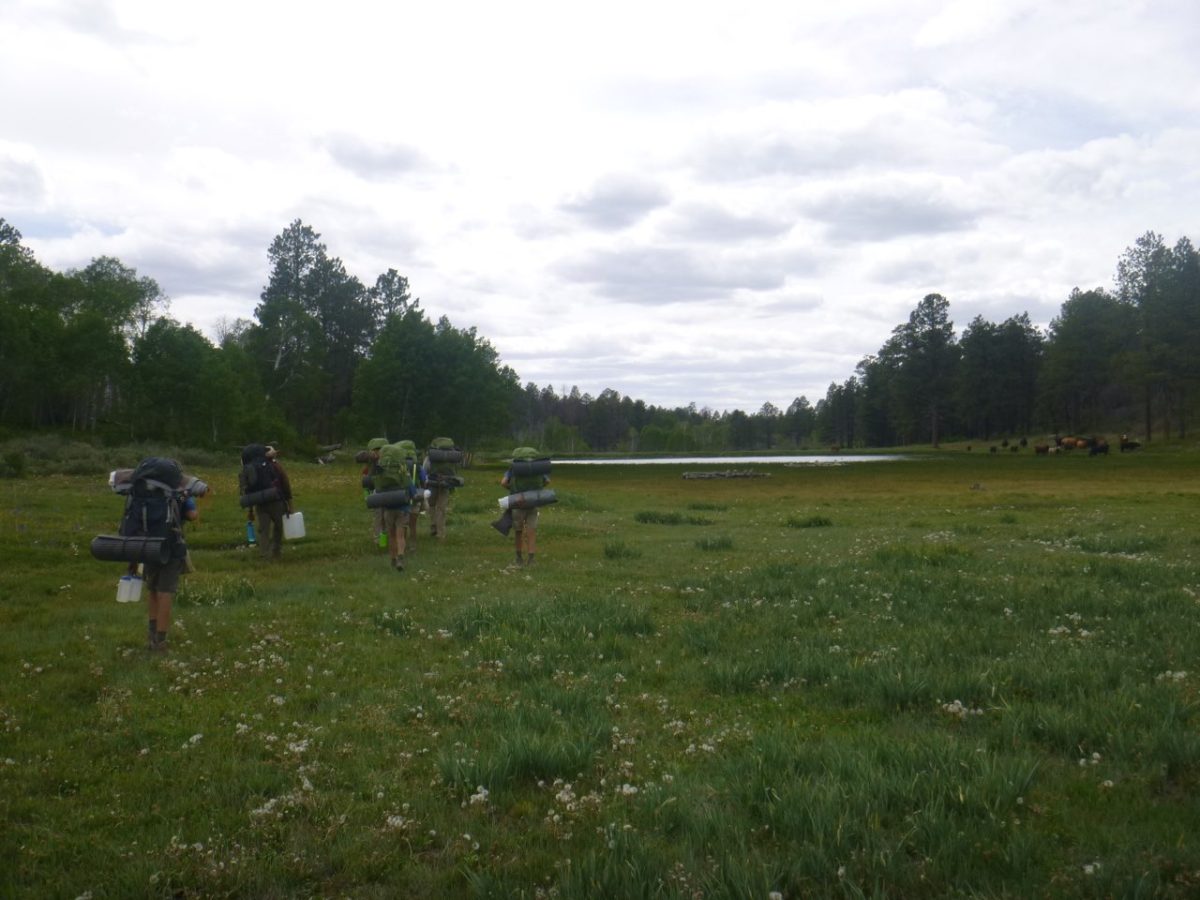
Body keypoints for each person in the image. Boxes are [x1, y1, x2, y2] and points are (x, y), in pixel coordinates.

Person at [240, 444, 294, 561]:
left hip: (260, 503)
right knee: (278, 527)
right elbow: (286, 485)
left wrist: (250, 510)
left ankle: (264, 554)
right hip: (276, 501)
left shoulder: (253, 468)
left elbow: (250, 489)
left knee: (263, 529)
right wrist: (290, 505)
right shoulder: (276, 466)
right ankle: (276, 551)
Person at [500, 447, 550, 567]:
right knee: (531, 531)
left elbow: (503, 482)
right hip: (533, 503)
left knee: (518, 531)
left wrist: (512, 489)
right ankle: (531, 559)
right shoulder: (537, 469)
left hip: (518, 503)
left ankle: (519, 559)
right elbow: (547, 481)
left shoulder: (513, 469)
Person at [423, 437, 462, 540]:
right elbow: (455, 470)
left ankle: (433, 526)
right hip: (445, 483)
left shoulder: (431, 456)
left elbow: (425, 468)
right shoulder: (451, 457)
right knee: (442, 508)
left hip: (432, 483)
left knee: (431, 505)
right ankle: (441, 533)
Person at [361, 437, 388, 548]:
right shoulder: (372, 465)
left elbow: (365, 480)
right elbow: (366, 480)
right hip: (382, 492)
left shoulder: (371, 466)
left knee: (381, 517)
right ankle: (381, 540)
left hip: (381, 492)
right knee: (382, 517)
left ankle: (381, 541)